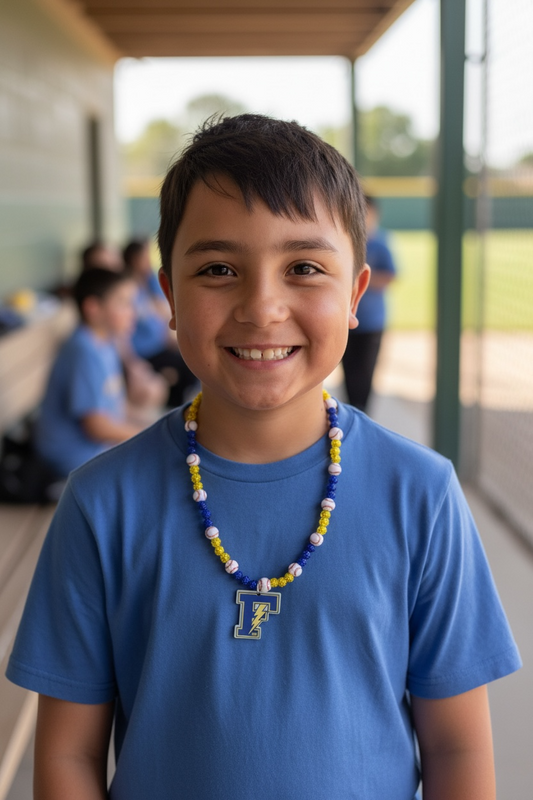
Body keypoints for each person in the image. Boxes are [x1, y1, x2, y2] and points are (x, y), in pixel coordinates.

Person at [7, 115, 520, 800]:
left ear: (355, 298)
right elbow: (68, 759)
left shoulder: (420, 494)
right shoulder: (101, 502)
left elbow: (456, 749)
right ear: (168, 296)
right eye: (218, 269)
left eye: (303, 268)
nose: (261, 306)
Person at [33, 268, 145, 477]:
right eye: (123, 303)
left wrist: (150, 426)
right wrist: (147, 436)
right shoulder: (82, 350)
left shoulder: (106, 342)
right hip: (72, 455)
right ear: (93, 308)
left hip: (95, 448)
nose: (133, 312)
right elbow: (97, 427)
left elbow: (116, 406)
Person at [123, 237, 198, 406]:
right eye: (145, 256)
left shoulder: (150, 281)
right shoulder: (128, 288)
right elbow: (123, 332)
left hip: (161, 345)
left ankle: (179, 406)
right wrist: (133, 363)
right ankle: (177, 410)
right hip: (144, 352)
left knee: (191, 361)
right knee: (184, 368)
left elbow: (165, 311)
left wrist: (170, 337)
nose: (148, 261)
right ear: (134, 259)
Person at [342, 194, 397, 411]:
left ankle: (362, 413)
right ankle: (350, 410)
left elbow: (390, 275)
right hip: (346, 319)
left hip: (371, 321)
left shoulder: (380, 243)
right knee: (348, 371)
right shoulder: (345, 240)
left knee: (365, 372)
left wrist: (356, 281)